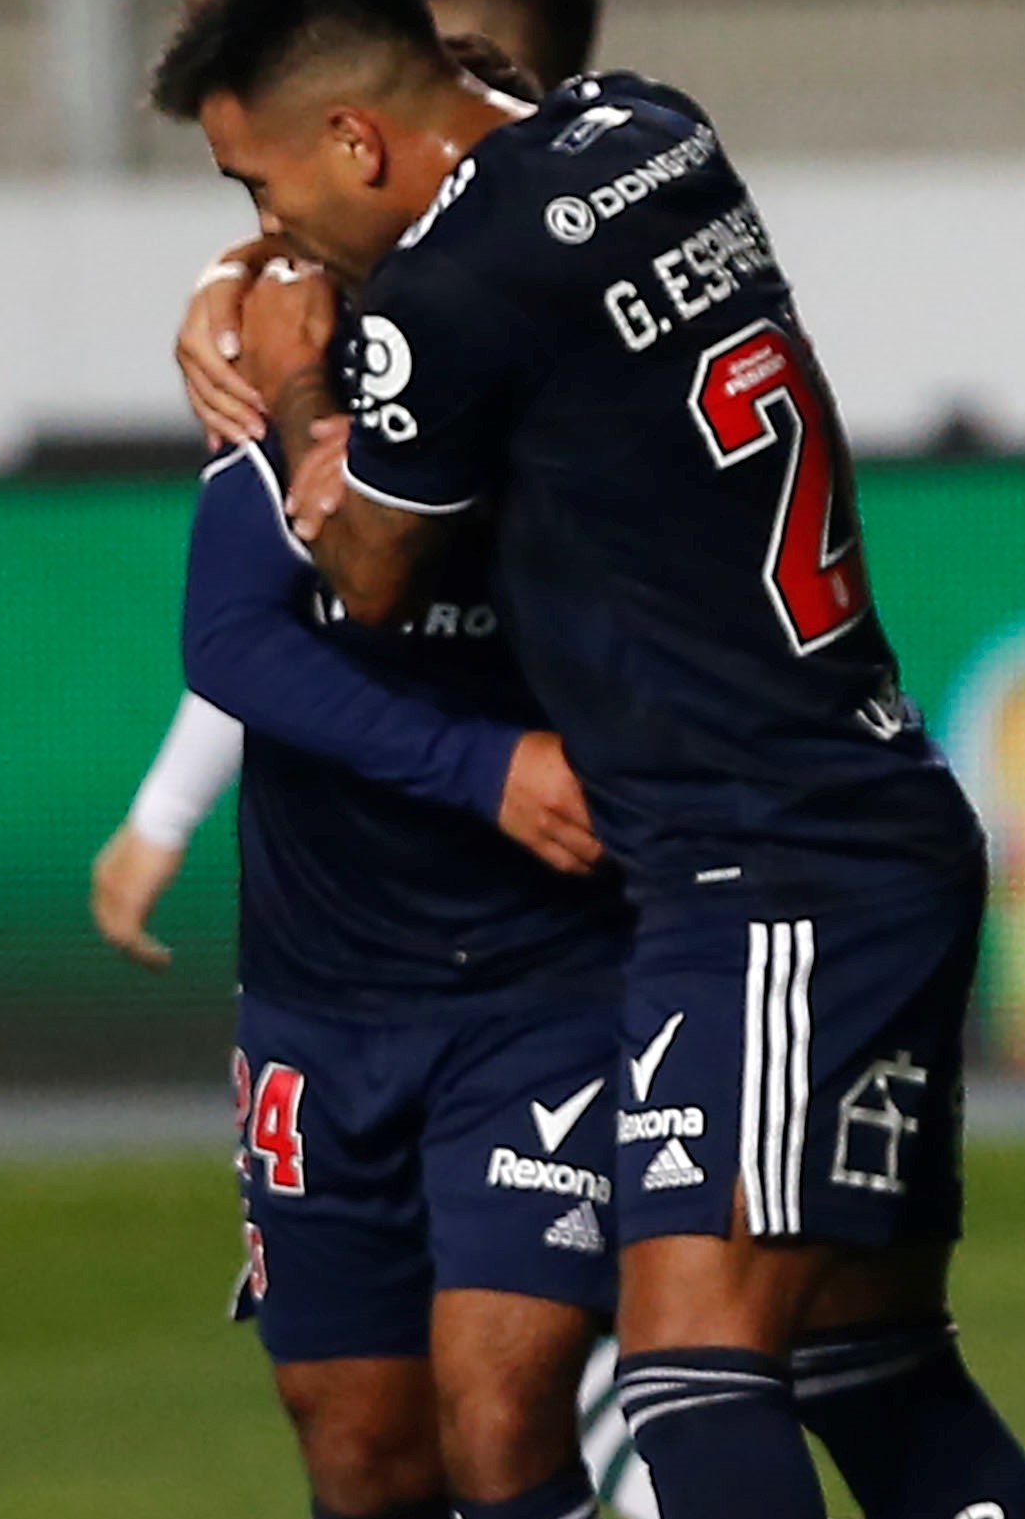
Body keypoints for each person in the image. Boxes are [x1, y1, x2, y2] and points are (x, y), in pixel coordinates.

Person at [147, 0, 1025, 1519]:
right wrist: (259, 270)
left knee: (693, 1376)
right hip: (872, 807)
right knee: (870, 1363)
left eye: (257, 188)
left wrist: (294, 385)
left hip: (756, 866)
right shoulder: (653, 132)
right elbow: (492, 140)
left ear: (355, 140)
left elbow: (361, 572)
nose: (267, 230)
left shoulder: (438, 301)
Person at [180, 252, 632, 1519]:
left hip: (549, 994)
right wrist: (481, 766)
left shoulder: (582, 423)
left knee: (501, 1411)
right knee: (359, 1446)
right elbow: (227, 641)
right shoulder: (303, 399)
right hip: (319, 1007)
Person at [92, 0, 611, 955]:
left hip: (573, 931)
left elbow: (357, 580)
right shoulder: (311, 300)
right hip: (345, 951)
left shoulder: (586, 310)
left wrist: (285, 366)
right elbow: (254, 616)